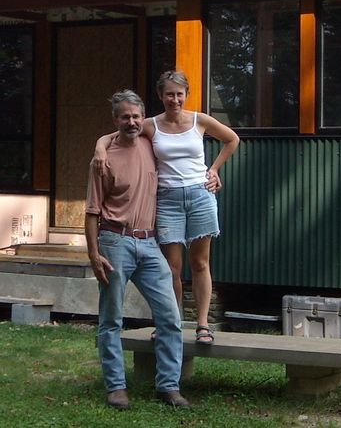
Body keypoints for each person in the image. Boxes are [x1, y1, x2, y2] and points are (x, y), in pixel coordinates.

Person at [94, 71, 239, 345]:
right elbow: (108, 137)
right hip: (168, 199)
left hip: (200, 195)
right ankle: (169, 323)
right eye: (169, 94)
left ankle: (203, 325)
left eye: (179, 94)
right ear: (160, 96)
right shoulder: (150, 124)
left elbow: (231, 139)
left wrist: (215, 169)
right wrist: (100, 149)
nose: (175, 99)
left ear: (186, 94)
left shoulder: (200, 120)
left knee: (200, 263)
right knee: (171, 267)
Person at [85, 90, 189, 409]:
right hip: (114, 242)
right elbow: (92, 211)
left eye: (135, 116)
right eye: (124, 116)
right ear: (115, 120)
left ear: (142, 117)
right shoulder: (103, 159)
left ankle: (168, 386)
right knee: (112, 318)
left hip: (150, 242)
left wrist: (211, 173)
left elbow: (185, 137)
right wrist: (92, 254)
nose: (131, 121)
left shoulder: (150, 142)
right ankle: (116, 387)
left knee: (170, 315)